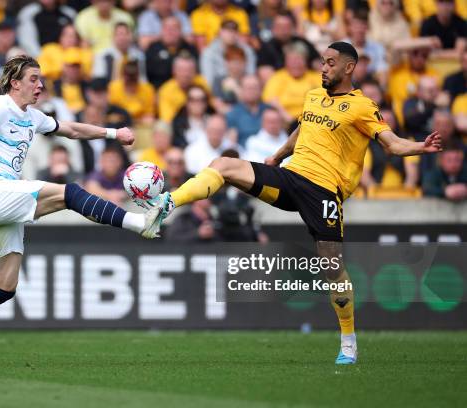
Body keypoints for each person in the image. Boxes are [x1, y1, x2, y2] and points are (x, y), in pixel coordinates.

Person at [143, 42, 442, 365]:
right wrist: (277, 156)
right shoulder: (313, 96)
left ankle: (348, 342)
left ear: (348, 68)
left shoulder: (362, 107)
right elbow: (303, 130)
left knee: (331, 266)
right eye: (322, 62)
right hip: (290, 178)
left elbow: (392, 145)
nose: (323, 68)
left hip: (324, 192)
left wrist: (420, 148)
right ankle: (169, 202)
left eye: (330, 63)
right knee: (224, 165)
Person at [0, 55, 157, 366]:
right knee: (69, 193)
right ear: (15, 83)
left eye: (40, 78)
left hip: (2, 202)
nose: (40, 84)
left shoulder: (32, 116)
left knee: (3, 287)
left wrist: (112, 133)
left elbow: (70, 129)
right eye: (33, 78)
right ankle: (139, 223)